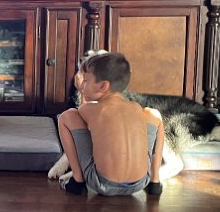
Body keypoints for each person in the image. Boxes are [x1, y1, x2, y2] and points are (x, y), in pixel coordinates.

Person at [56, 51, 165, 197]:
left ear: (103, 86)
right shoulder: (136, 108)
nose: (82, 85)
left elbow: (79, 116)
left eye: (86, 81)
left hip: (102, 183)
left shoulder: (93, 109)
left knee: (67, 116)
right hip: (140, 182)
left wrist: (82, 92)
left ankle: (77, 181)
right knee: (154, 115)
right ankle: (155, 182)